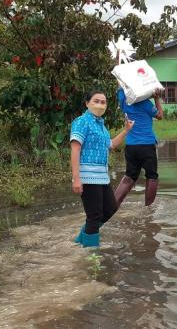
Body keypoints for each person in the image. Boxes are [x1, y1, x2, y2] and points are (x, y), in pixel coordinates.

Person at [70, 91, 134, 248]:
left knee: (111, 208)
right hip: (87, 176)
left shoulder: (101, 126)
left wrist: (126, 130)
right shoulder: (81, 121)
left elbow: (110, 145)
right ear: (87, 103)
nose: (100, 104)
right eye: (96, 101)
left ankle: (81, 240)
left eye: (103, 102)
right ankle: (92, 255)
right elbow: (75, 150)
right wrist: (76, 178)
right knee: (94, 216)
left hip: (102, 177)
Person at [114, 88, 163, 208]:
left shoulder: (125, 101)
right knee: (152, 176)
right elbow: (160, 115)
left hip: (131, 146)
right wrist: (156, 98)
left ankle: (112, 205)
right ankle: (148, 209)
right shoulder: (146, 104)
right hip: (147, 145)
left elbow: (120, 87)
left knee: (129, 176)